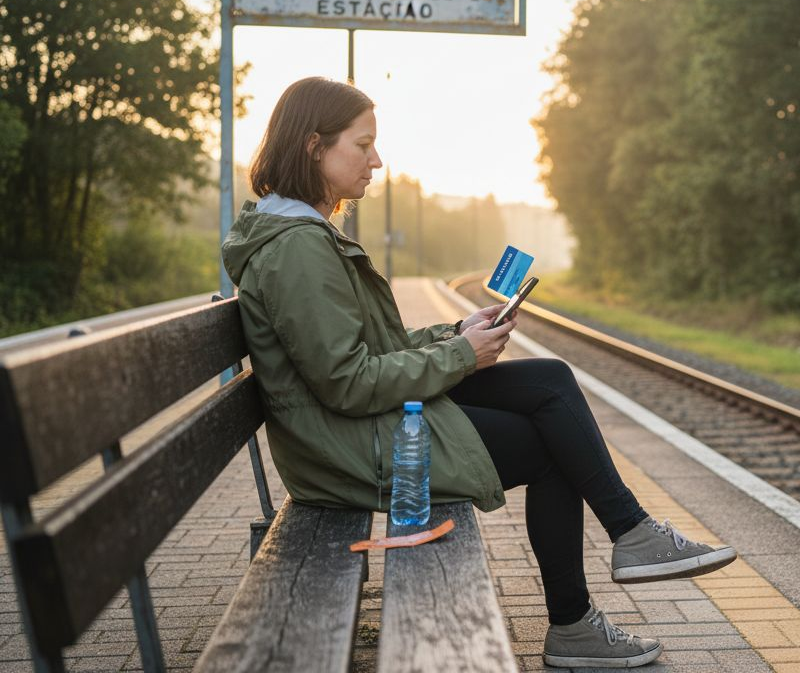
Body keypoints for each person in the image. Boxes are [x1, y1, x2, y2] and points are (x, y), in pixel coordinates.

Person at [221, 77, 737, 668]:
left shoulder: (302, 236)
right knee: (551, 448)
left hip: (355, 428)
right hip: (346, 447)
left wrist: (454, 334)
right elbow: (347, 382)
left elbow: (371, 350)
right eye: (362, 146)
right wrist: (462, 357)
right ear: (315, 146)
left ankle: (631, 536)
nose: (377, 160)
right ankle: (581, 616)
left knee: (549, 380)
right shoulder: (297, 249)